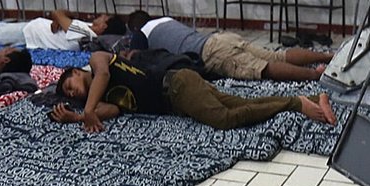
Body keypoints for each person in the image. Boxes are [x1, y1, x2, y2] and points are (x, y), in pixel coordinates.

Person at [51, 51, 336, 134]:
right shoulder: (98, 99)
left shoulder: (97, 59)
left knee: (224, 119)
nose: (73, 93)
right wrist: (79, 117)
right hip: (180, 97)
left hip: (176, 86)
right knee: (242, 103)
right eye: (70, 94)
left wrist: (87, 110)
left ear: (76, 72)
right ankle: (313, 100)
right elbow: (110, 112)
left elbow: (102, 74)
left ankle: (294, 103)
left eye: (70, 86)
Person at [127, 9, 332, 82]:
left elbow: (137, 58)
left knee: (263, 68)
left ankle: (316, 75)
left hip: (210, 53)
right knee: (276, 55)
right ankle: (328, 57)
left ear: (134, 27)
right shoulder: (165, 19)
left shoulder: (141, 33)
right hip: (222, 38)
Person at [0, 9, 125, 51]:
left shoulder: (87, 34)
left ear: (104, 26)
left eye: (104, 17)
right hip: (33, 34)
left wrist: (58, 17)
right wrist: (60, 19)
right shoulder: (84, 27)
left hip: (31, 32)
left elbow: (56, 12)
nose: (100, 15)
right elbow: (61, 15)